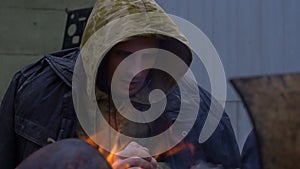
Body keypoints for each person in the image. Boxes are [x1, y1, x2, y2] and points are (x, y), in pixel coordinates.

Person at [0, 0, 260, 168]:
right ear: (98, 54)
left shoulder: (198, 110)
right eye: (124, 56)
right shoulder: (36, 89)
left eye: (148, 57)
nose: (136, 71)